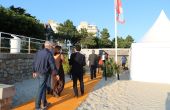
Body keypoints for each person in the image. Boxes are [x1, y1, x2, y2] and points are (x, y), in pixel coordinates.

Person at [32, 41, 59, 110]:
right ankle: (37, 106)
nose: (52, 47)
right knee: (40, 89)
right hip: (44, 73)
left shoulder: (38, 52)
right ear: (49, 46)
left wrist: (34, 71)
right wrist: (56, 74)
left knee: (43, 87)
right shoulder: (49, 54)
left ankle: (44, 103)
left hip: (38, 72)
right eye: (51, 46)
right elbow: (52, 65)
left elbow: (34, 62)